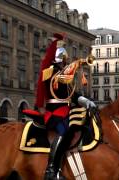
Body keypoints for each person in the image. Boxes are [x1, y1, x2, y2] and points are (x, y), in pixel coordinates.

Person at [34, 32, 96, 180]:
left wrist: (84, 101)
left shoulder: (62, 74)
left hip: (66, 109)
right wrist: (78, 64)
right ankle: (51, 169)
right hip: (55, 111)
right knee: (65, 131)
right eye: (63, 60)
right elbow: (58, 83)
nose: (65, 62)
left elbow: (72, 95)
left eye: (65, 60)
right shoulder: (50, 72)